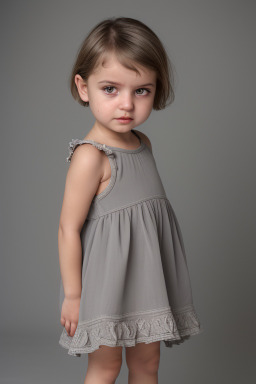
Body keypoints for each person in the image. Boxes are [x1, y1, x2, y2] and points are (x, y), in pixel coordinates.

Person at [58, 16, 203, 384]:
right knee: (105, 366)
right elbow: (68, 229)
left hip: (147, 282)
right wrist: (74, 295)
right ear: (83, 86)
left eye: (141, 91)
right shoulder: (91, 156)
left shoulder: (143, 144)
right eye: (110, 88)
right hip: (106, 287)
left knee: (147, 365)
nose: (126, 104)